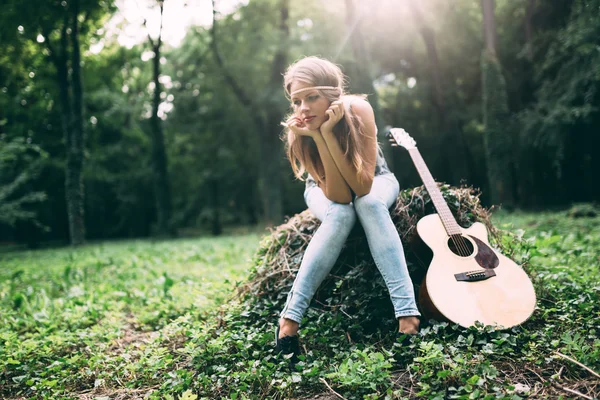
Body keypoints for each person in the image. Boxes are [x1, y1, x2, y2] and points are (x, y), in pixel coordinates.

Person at [276, 56, 420, 362]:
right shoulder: (300, 130)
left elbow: (363, 186)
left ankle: (408, 317)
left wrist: (330, 132)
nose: (303, 109)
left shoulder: (358, 110)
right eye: (296, 100)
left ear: (332, 94)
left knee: (368, 203)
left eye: (312, 97)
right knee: (340, 213)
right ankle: (289, 321)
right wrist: (318, 134)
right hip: (323, 190)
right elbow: (340, 197)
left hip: (377, 179)